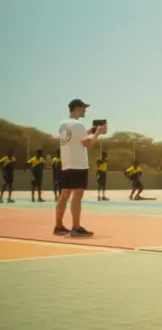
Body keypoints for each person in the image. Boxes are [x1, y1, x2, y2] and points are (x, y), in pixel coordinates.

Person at [55, 99, 107, 237]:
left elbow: (75, 138)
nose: (85, 110)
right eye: (84, 107)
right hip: (78, 165)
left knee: (64, 195)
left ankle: (58, 225)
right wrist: (97, 133)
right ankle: (76, 227)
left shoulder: (64, 124)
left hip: (66, 164)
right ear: (77, 108)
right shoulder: (78, 124)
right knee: (77, 195)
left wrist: (89, 131)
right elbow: (87, 143)